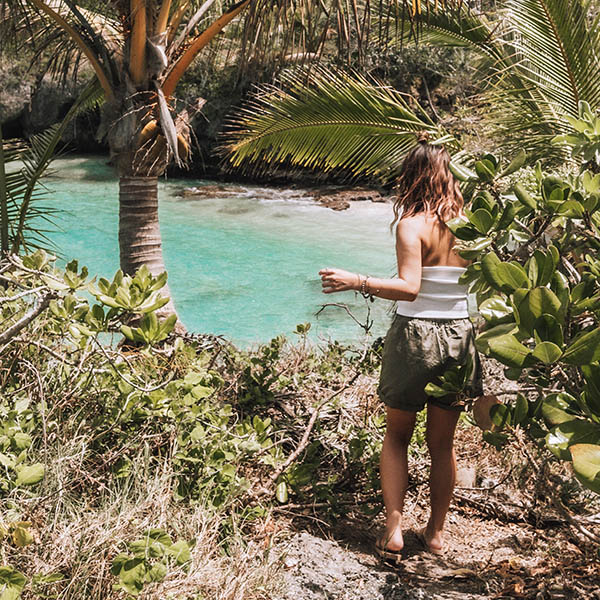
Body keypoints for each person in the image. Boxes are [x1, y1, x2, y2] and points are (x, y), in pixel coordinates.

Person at [318, 132, 483, 563]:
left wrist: (358, 281)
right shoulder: (473, 224)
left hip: (416, 337)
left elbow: (410, 289)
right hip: (461, 338)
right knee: (442, 444)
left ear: (412, 178)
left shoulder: (412, 225)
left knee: (396, 436)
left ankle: (393, 530)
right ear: (450, 178)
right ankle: (435, 533)